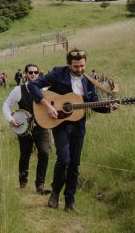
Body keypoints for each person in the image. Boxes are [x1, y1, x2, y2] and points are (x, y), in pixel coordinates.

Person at [29, 49, 119, 211]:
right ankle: (55, 192)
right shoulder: (58, 73)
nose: (80, 70)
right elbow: (33, 85)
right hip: (60, 122)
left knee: (74, 164)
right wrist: (47, 105)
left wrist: (109, 108)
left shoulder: (89, 81)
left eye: (82, 66)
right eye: (76, 66)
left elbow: (94, 103)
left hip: (79, 125)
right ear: (69, 64)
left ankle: (70, 202)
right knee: (64, 159)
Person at [2, 64, 51, 195]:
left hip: (42, 127)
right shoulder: (18, 90)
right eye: (30, 72)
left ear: (39, 73)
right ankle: (23, 183)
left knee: (44, 153)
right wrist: (10, 119)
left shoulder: (45, 89)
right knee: (25, 155)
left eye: (36, 72)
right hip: (24, 128)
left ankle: (40, 185)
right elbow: (6, 104)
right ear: (25, 74)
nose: (33, 74)